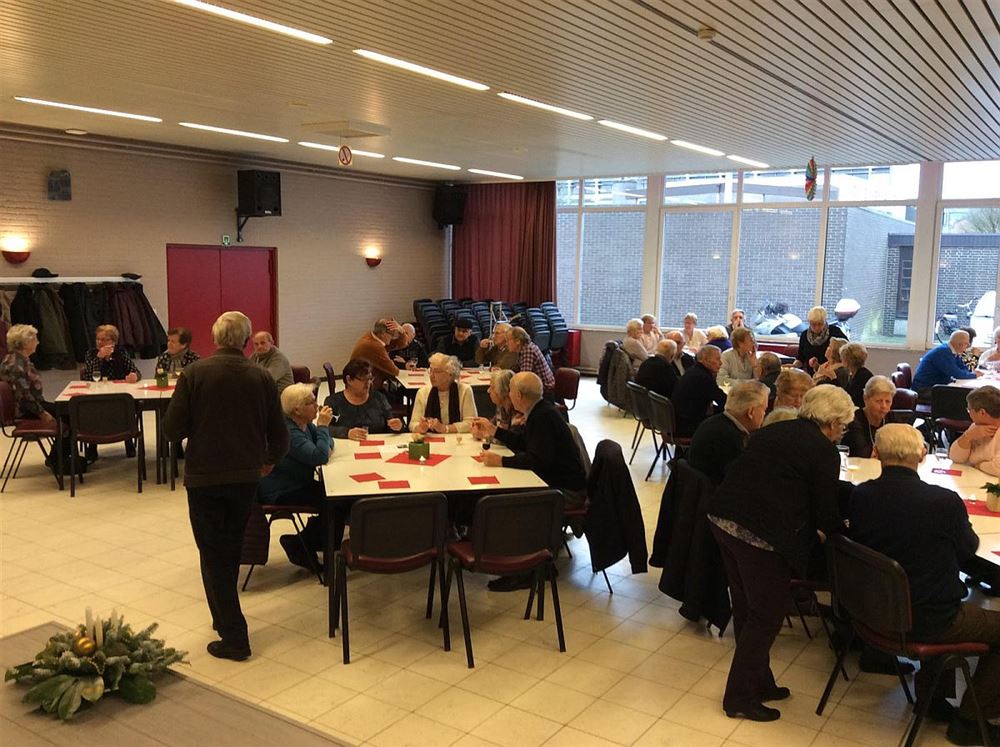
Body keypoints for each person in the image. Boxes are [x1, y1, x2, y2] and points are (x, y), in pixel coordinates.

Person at [707, 386, 853, 722]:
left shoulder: (775, 429)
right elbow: (826, 511)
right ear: (832, 422)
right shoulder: (824, 451)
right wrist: (841, 530)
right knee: (766, 616)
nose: (841, 432)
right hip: (759, 535)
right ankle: (739, 698)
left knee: (746, 607)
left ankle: (760, 682)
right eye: (842, 426)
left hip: (723, 518)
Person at [849, 424, 1000, 745]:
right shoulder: (942, 502)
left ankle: (933, 699)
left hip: (874, 611)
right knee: (957, 606)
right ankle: (972, 719)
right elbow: (968, 548)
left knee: (931, 589)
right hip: (928, 619)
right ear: (921, 454)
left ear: (876, 453)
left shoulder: (860, 495)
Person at [163, 311, 288, 662]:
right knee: (229, 548)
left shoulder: (194, 374)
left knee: (212, 551)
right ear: (247, 340)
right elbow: (280, 436)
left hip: (205, 477)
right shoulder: (261, 377)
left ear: (215, 338)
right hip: (246, 477)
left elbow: (171, 430)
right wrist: (269, 460)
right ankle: (223, 619)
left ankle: (234, 635)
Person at [471, 371, 588, 591]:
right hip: (558, 482)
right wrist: (496, 431)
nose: (508, 394)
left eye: (510, 391)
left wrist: (501, 461)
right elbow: (526, 444)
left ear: (518, 395)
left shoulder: (542, 417)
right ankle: (527, 562)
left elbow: (537, 461)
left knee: (511, 502)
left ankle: (525, 569)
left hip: (566, 491)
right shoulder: (540, 410)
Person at [258, 383, 333, 570]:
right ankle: (301, 545)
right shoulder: (289, 431)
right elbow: (320, 456)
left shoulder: (304, 425)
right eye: (311, 403)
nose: (317, 406)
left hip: (298, 483)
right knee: (333, 502)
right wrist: (323, 427)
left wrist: (323, 436)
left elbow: (328, 443)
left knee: (337, 498)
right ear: (297, 409)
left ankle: (315, 542)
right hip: (281, 489)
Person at [688, 380, 769, 485]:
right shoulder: (730, 439)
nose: (764, 414)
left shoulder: (714, 422)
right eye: (764, 409)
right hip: (712, 491)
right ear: (751, 412)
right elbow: (740, 481)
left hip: (695, 488)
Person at [324, 358, 403, 439]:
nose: (368, 383)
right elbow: (325, 428)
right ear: (349, 380)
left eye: (370, 378)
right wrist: (347, 433)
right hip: (347, 445)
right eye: (363, 379)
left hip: (377, 444)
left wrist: (397, 427)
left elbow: (391, 423)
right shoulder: (334, 402)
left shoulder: (379, 398)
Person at [0, 324, 58, 423]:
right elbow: (24, 396)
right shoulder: (15, 365)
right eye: (35, 339)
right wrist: (42, 413)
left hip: (32, 404)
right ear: (26, 343)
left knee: (67, 408)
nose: (38, 342)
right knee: (69, 412)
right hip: (24, 410)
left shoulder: (21, 359)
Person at [410, 353, 477, 433]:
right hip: (430, 438)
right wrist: (420, 428)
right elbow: (413, 424)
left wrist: (445, 428)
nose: (431, 375)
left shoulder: (464, 390)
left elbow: (471, 423)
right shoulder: (423, 392)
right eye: (430, 370)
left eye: (436, 371)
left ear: (450, 374)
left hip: (457, 439)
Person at [672, 345, 727, 437]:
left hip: (678, 420)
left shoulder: (693, 370)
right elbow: (723, 401)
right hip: (688, 426)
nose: (721, 363)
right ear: (705, 359)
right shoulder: (703, 377)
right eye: (718, 359)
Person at [949, 385, 1000, 476]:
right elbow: (955, 458)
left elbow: (997, 468)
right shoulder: (975, 427)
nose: (969, 414)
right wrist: (967, 436)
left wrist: (977, 465)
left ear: (982, 412)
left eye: (969, 410)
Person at [913, 330, 981, 397]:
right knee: (960, 395)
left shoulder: (953, 351)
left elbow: (963, 368)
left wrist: (971, 374)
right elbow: (957, 374)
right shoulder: (943, 352)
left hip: (937, 385)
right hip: (924, 389)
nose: (967, 346)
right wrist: (975, 375)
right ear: (960, 344)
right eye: (966, 344)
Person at [843, 375, 896, 458]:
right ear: (865, 399)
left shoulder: (891, 417)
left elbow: (903, 447)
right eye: (879, 401)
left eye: (888, 401)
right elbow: (863, 453)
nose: (884, 406)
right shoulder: (854, 420)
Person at [351, 318, 402, 391]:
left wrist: (401, 331)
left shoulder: (370, 336)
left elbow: (400, 344)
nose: (392, 338)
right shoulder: (375, 346)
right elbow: (394, 371)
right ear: (383, 334)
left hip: (359, 382)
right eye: (392, 334)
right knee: (394, 394)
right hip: (364, 388)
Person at [796, 306, 848, 374]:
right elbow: (800, 358)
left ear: (825, 321)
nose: (817, 328)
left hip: (832, 374)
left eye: (820, 324)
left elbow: (846, 353)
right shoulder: (804, 335)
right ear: (809, 322)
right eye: (813, 324)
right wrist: (793, 366)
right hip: (812, 376)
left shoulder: (835, 332)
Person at [508, 326, 554, 390]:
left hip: (544, 390)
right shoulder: (524, 348)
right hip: (538, 387)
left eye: (508, 340)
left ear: (518, 341)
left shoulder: (528, 350)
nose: (507, 343)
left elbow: (523, 377)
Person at [840, 342, 873, 408]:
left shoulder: (862, 376)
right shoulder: (855, 373)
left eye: (842, 358)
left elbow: (850, 398)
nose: (841, 360)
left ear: (848, 360)